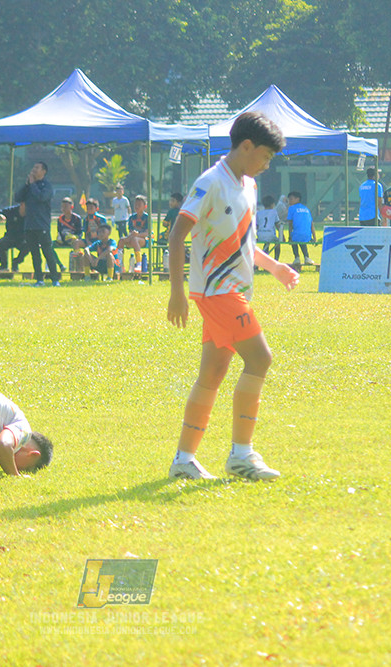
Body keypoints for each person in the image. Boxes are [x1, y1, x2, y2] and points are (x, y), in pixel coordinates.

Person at [166, 111, 299, 481]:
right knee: (260, 359)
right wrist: (177, 292)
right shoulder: (211, 183)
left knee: (213, 373)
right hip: (217, 292)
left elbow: (244, 244)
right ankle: (242, 455)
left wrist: (274, 267)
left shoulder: (249, 186)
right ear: (245, 146)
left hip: (233, 292)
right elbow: (177, 235)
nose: (267, 165)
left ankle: (183, 460)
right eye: (265, 156)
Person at [16, 161, 60, 286]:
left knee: (47, 252)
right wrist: (27, 185)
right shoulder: (30, 185)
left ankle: (55, 279)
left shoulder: (46, 186)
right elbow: (18, 198)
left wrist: (33, 184)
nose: (34, 170)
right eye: (33, 167)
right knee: (35, 254)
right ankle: (39, 279)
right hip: (29, 225)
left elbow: (41, 197)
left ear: (44, 171)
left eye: (37, 168)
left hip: (42, 225)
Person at [117, 194, 150, 271]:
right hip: (133, 238)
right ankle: (120, 264)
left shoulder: (147, 217)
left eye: (139, 205)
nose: (137, 207)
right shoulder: (132, 218)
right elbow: (131, 231)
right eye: (135, 205)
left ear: (145, 206)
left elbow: (147, 233)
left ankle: (139, 263)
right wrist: (130, 236)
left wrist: (137, 235)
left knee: (134, 239)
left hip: (144, 239)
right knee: (121, 240)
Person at [0, 202, 26, 272]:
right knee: (0, 244)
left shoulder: (32, 212)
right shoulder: (11, 210)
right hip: (10, 236)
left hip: (23, 238)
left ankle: (16, 262)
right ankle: (4, 266)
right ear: (21, 204)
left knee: (31, 244)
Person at [285, 191, 316, 265]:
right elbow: (311, 224)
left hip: (297, 235)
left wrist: (289, 236)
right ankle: (307, 257)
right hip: (308, 236)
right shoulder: (306, 208)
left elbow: (290, 224)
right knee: (301, 238)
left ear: (297, 199)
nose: (289, 201)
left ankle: (297, 258)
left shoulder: (291, 208)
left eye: (291, 199)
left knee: (295, 237)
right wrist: (314, 237)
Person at [255, 194, 281, 260]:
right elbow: (277, 224)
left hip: (260, 235)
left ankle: (264, 260)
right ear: (272, 204)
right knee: (277, 242)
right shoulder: (274, 212)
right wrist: (282, 236)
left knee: (266, 243)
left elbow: (256, 226)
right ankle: (276, 260)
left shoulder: (259, 213)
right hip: (270, 234)